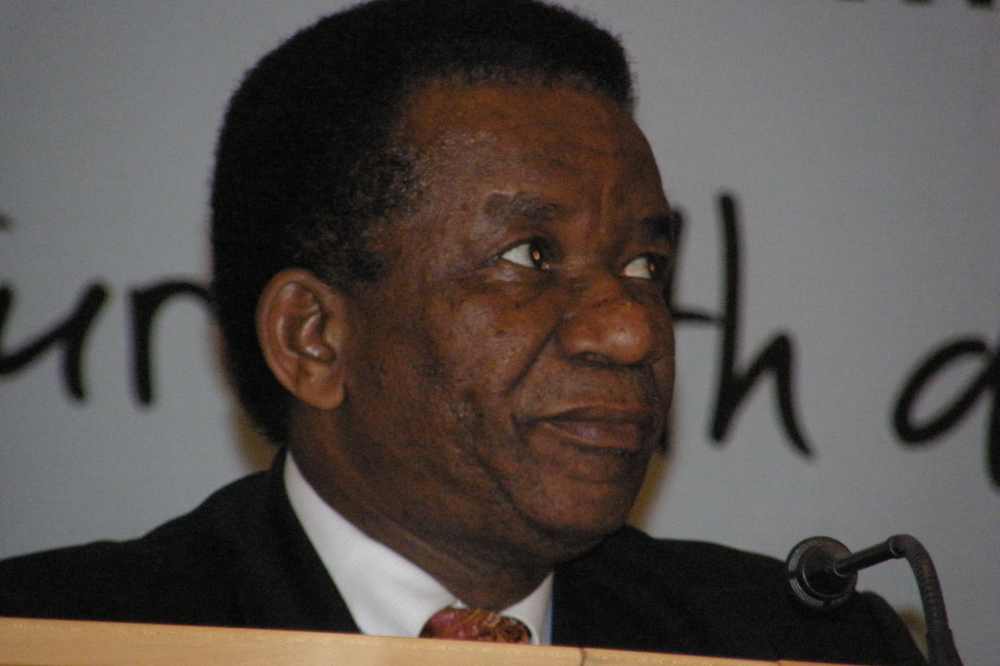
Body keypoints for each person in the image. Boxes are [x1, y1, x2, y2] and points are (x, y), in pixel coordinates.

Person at [0, 1, 925, 662]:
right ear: (313, 338)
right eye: (529, 256)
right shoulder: (59, 637)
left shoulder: (804, 643)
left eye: (645, 265)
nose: (631, 331)